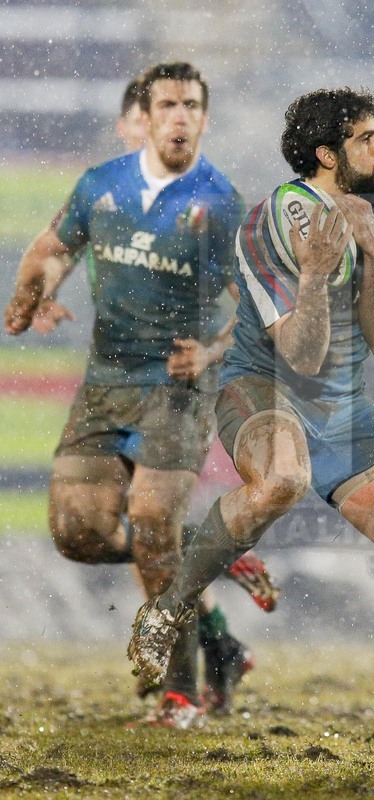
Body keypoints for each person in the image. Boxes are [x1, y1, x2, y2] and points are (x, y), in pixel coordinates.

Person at [127, 86, 374, 762]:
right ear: (327, 155)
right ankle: (169, 609)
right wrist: (313, 275)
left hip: (341, 404)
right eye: (366, 137)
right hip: (260, 387)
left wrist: (370, 261)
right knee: (282, 478)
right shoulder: (271, 220)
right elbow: (298, 353)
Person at [4, 62, 279, 728]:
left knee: (151, 529)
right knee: (79, 535)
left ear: (203, 118)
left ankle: (178, 695)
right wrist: (31, 294)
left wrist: (210, 351)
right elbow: (52, 246)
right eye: (164, 107)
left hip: (174, 389)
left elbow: (250, 300)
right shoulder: (104, 187)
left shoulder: (216, 202)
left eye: (190, 106)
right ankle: (212, 554)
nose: (176, 118)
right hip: (106, 385)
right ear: (142, 119)